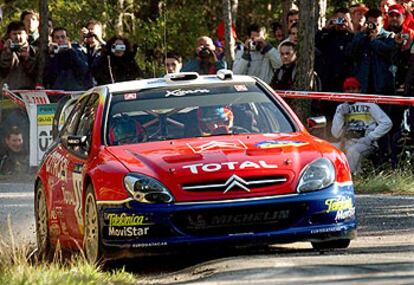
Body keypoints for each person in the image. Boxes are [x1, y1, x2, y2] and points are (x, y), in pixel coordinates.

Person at [331, 77, 392, 174]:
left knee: (353, 151)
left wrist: (370, 137)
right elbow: (336, 134)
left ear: (359, 90)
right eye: (348, 89)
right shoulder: (341, 107)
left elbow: (387, 122)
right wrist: (340, 115)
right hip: (346, 142)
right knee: (330, 149)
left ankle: (352, 179)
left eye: (353, 89)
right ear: (344, 91)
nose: (351, 92)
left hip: (366, 143)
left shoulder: (369, 105)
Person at [346, 8, 398, 95]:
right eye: (371, 23)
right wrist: (362, 36)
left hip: (382, 84)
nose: (373, 26)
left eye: (376, 24)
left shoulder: (389, 37)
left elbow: (389, 53)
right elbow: (350, 53)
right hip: (363, 83)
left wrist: (374, 40)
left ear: (382, 23)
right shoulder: (361, 36)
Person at [316, 7, 354, 92]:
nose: (341, 23)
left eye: (344, 20)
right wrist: (326, 28)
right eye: (339, 19)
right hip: (328, 79)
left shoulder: (352, 38)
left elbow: (356, 50)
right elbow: (316, 44)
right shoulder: (327, 35)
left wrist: (351, 30)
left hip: (346, 80)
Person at [0, 21, 37, 90]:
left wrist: (27, 58)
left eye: (20, 33)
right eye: (14, 34)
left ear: (26, 35)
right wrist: (7, 52)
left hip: (30, 94)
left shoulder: (35, 51)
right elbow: (4, 69)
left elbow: (38, 73)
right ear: (9, 36)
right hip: (10, 93)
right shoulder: (4, 51)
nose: (17, 37)